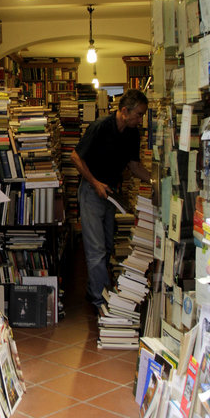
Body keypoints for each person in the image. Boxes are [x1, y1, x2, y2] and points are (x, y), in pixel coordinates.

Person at [70, 89, 152, 308]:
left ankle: (94, 290)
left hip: (111, 195)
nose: (140, 118)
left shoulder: (133, 133)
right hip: (91, 192)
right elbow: (75, 157)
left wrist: (155, 180)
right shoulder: (100, 127)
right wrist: (95, 182)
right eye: (139, 114)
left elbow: (134, 167)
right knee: (96, 249)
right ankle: (101, 301)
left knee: (106, 246)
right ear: (124, 111)